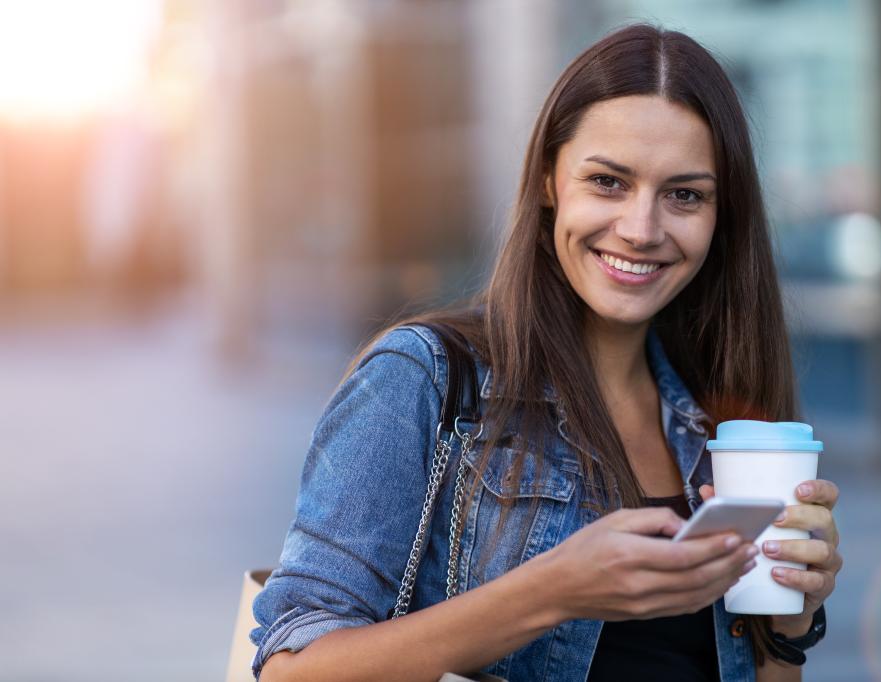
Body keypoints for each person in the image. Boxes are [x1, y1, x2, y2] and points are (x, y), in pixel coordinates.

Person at [250, 22, 842, 682]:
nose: (642, 230)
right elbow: (290, 673)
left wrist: (789, 625)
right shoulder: (426, 377)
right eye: (609, 182)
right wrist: (550, 592)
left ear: (719, 215)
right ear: (550, 181)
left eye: (684, 195)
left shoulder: (715, 419)